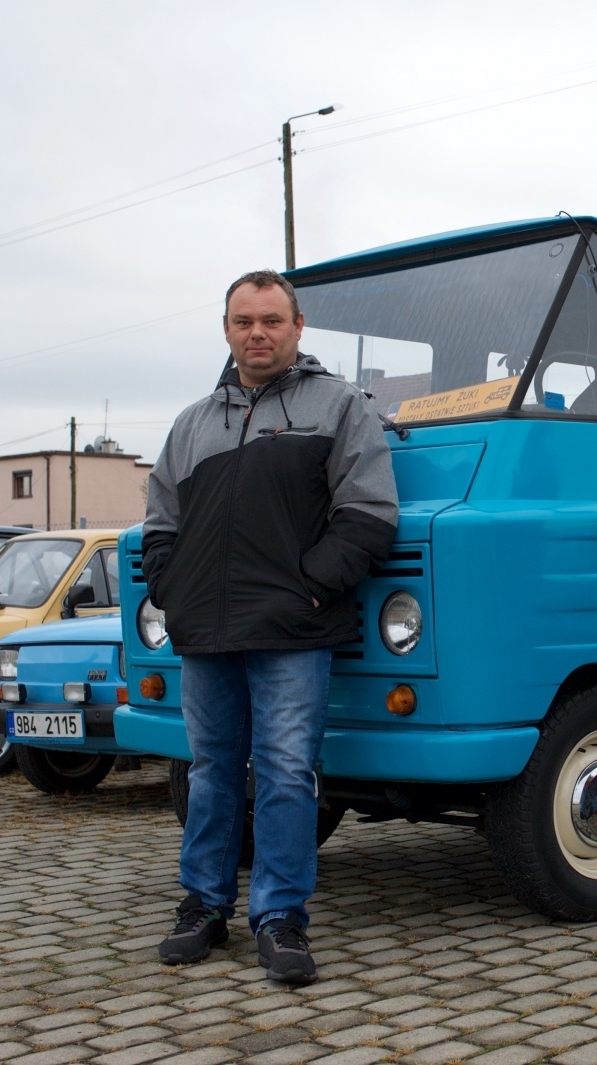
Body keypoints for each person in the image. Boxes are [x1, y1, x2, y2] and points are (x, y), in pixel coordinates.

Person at [144, 269, 398, 984]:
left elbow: (371, 514)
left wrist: (310, 589)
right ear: (227, 329)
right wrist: (176, 591)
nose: (258, 333)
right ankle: (203, 906)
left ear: (297, 327)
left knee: (287, 774)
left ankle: (282, 918)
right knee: (212, 775)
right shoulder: (193, 422)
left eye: (271, 320)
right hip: (207, 633)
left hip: (293, 630)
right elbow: (160, 523)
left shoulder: (340, 406)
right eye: (243, 321)